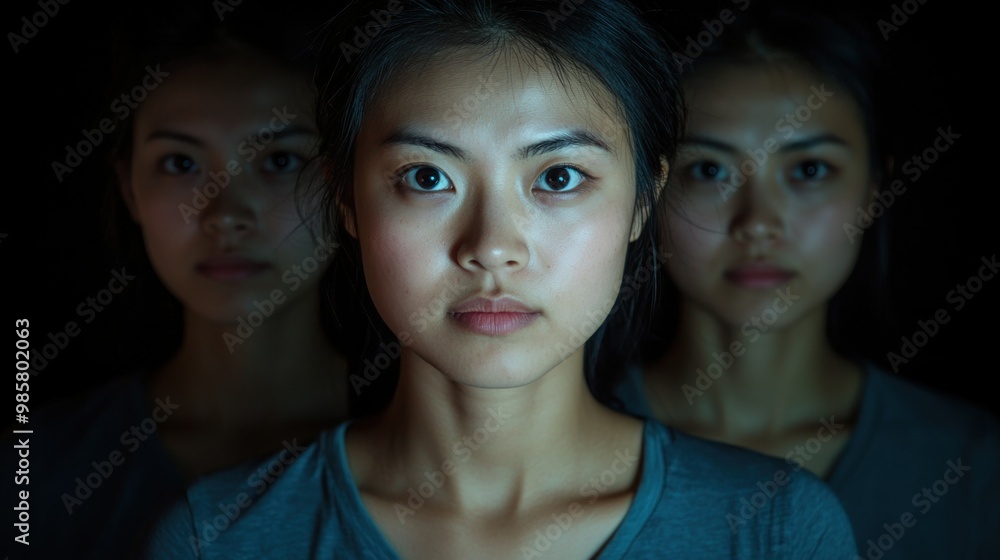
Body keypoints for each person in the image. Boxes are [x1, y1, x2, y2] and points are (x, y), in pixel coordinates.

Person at [140, 0, 856, 558]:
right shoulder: (217, 539)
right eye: (427, 178)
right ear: (347, 202)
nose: (490, 248)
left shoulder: (777, 530)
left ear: (643, 200)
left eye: (559, 177)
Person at [617, 2, 1000, 558]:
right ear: (649, 193)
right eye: (708, 170)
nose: (759, 224)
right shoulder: (548, 448)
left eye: (809, 170)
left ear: (873, 189)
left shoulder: (969, 461)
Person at [23, 1, 351, 557]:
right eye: (180, 164)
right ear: (129, 188)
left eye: (278, 161)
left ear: (342, 184)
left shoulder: (442, 455)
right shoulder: (32, 472)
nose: (224, 213)